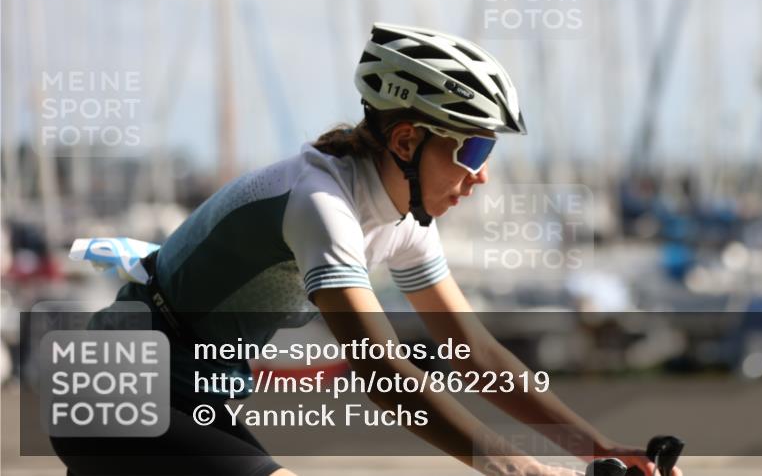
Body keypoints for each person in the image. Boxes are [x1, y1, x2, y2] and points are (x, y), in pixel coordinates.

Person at [50, 23, 681, 476]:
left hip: (194, 397)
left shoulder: (405, 219)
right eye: (473, 150)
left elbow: (475, 352)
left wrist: (598, 450)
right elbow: (380, 370)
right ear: (407, 140)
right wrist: (510, 464)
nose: (481, 174)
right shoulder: (320, 204)